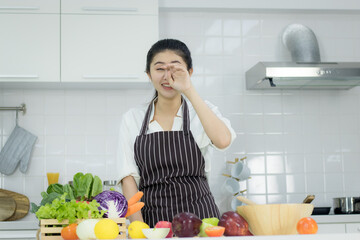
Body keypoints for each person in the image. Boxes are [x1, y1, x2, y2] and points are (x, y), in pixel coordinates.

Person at [117, 39, 236, 227]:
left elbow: (223, 140)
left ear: (189, 73)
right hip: (154, 223)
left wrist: (188, 90)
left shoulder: (202, 111)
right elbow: (128, 178)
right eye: (159, 69)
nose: (168, 76)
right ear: (149, 74)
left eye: (175, 68)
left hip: (202, 219)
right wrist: (139, 228)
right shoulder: (132, 118)